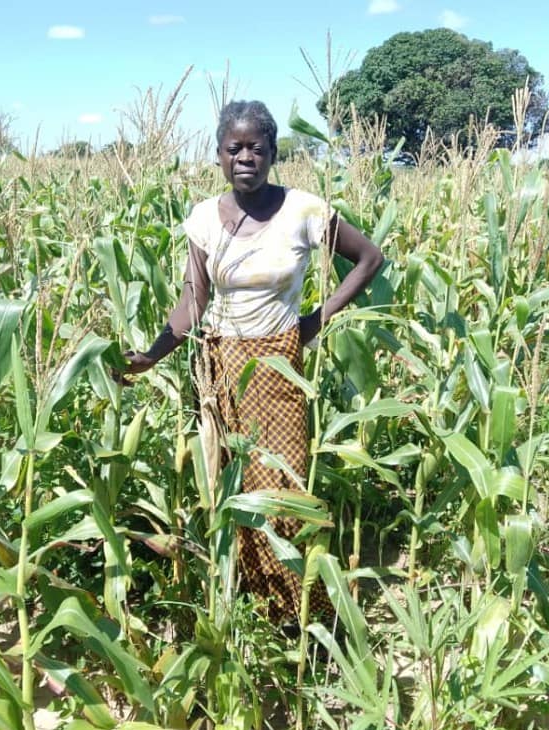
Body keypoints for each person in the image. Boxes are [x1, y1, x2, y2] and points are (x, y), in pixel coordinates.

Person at [120, 100, 383, 623]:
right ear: (218, 155)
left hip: (276, 363)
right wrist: (150, 356)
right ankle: (250, 606)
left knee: (281, 489)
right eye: (233, 148)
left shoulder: (303, 210)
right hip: (217, 362)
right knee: (230, 487)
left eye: (256, 148)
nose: (245, 157)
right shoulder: (201, 219)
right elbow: (194, 304)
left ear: (273, 153)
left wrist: (315, 321)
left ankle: (299, 616)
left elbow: (369, 258)